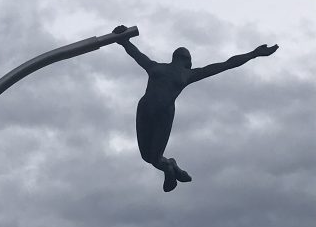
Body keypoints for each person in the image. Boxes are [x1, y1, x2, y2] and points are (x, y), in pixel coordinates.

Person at [112, 25, 278, 192]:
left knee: (153, 159)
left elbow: (135, 53)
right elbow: (226, 64)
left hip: (160, 113)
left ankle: (170, 168)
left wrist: (124, 40)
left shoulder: (159, 68)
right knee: (148, 157)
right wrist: (124, 40)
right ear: (187, 61)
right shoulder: (177, 72)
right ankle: (171, 165)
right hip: (147, 110)